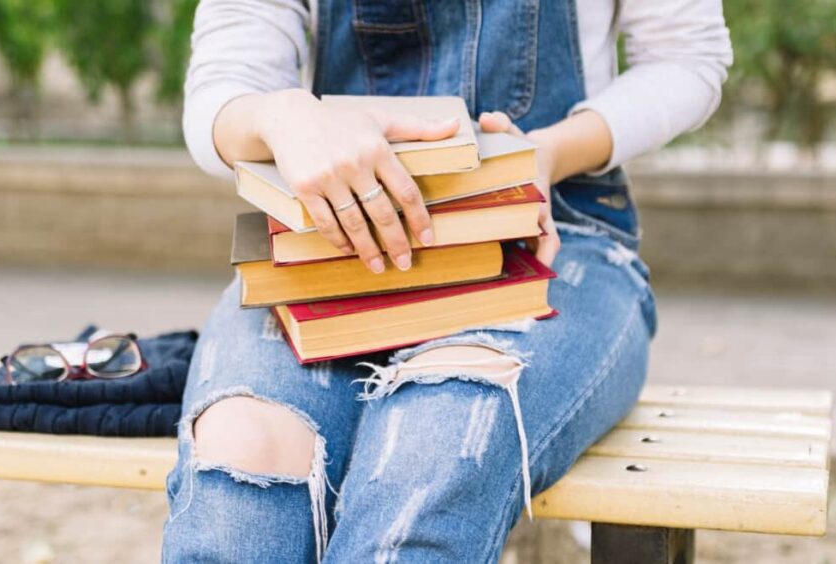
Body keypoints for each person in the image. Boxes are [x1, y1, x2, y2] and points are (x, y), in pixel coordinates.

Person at [162, 1, 732, 562]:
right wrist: (278, 117)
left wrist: (546, 153)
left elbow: (688, 58)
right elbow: (224, 81)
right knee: (240, 464)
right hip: (328, 249)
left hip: (557, 241)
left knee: (435, 454)